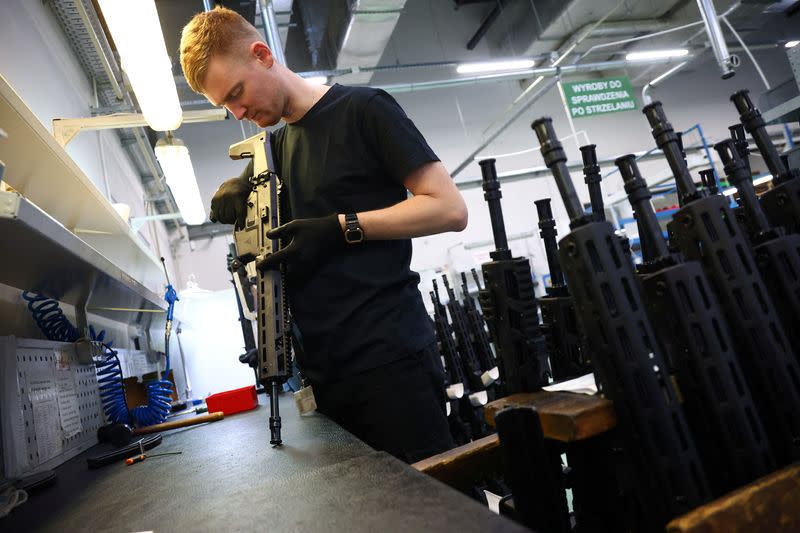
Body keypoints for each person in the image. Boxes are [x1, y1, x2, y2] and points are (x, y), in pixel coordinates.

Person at [180, 7, 467, 463]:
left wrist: (342, 227)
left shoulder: (363, 110)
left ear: (262, 55)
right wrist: (243, 195)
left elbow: (449, 208)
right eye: (225, 106)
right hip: (321, 379)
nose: (239, 112)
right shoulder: (270, 154)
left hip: (390, 363)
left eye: (237, 93)